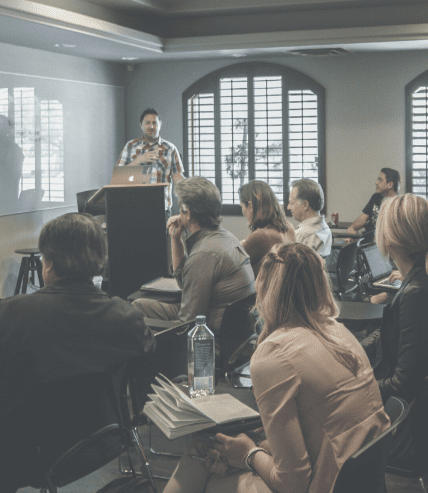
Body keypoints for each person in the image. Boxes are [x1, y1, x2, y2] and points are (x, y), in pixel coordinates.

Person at [0, 213, 155, 493]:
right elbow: (146, 353)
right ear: (100, 261)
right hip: (99, 440)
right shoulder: (126, 317)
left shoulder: (5, 316)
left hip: (18, 455)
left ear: (47, 264)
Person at [162, 243, 390, 493]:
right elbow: (315, 435)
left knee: (206, 469)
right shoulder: (339, 332)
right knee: (210, 449)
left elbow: (294, 484)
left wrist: (248, 454)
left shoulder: (274, 356)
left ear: (264, 291)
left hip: (327, 483)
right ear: (320, 284)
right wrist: (254, 449)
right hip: (356, 478)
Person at [360, 193, 428, 469]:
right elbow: (395, 336)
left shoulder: (417, 294)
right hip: (416, 417)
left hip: (404, 431)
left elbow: (402, 385)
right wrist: (353, 349)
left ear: (391, 238)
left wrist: (354, 388)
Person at [134, 177, 255, 331]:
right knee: (139, 305)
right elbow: (184, 283)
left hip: (210, 337)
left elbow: (187, 324)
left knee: (135, 314)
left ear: (188, 213)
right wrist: (176, 239)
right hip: (233, 332)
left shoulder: (204, 254)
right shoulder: (226, 237)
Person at [117, 108, 185, 213]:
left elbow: (178, 178)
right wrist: (139, 160)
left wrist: (193, 192)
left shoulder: (170, 149)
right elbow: (118, 177)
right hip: (133, 208)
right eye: (147, 123)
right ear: (141, 125)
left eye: (154, 123)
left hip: (161, 210)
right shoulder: (130, 146)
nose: (151, 126)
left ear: (160, 124)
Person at [238, 180, 295, 275]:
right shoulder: (288, 227)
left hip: (264, 289)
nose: (243, 211)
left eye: (242, 206)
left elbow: (232, 264)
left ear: (250, 206)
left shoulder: (261, 235)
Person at [346, 167, 400, 241]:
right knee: (337, 249)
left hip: (381, 245)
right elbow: (363, 218)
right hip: (366, 239)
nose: (376, 182)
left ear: (390, 185)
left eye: (380, 180)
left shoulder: (399, 204)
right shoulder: (376, 197)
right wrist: (352, 228)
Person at [287, 178, 332, 258]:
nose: (288, 207)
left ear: (305, 205)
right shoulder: (325, 228)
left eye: (291, 203)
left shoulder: (302, 235)